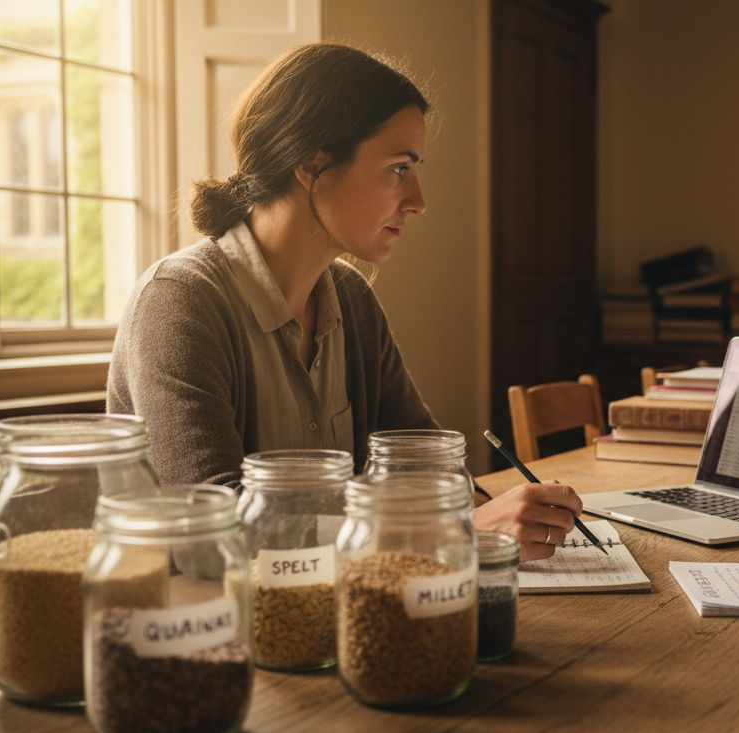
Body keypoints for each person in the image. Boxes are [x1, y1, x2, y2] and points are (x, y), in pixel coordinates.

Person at [107, 43, 574, 560]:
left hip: (336, 611)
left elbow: (426, 461)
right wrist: (459, 531)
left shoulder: (351, 298)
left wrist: (497, 509)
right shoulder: (179, 302)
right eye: (399, 167)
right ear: (312, 164)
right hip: (204, 623)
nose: (419, 200)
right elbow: (213, 533)